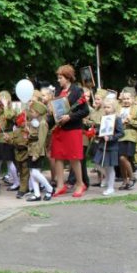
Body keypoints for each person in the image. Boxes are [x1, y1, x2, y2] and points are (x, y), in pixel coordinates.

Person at [49, 64, 90, 198]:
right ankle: (61, 185)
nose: (58, 80)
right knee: (58, 157)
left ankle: (80, 184)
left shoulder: (77, 91)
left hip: (73, 128)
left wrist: (70, 117)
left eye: (60, 77)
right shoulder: (57, 91)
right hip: (59, 129)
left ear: (67, 77)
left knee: (74, 158)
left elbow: (85, 111)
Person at [93, 98, 124, 196]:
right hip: (102, 145)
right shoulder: (104, 117)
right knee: (97, 164)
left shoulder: (117, 118)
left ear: (113, 108)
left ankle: (110, 187)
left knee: (110, 167)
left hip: (112, 146)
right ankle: (107, 177)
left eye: (108, 107)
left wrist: (111, 137)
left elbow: (121, 133)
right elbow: (101, 129)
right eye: (105, 107)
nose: (106, 109)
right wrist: (96, 131)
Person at [118, 89, 137, 190]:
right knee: (121, 159)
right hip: (119, 136)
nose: (126, 100)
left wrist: (131, 121)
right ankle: (125, 180)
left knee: (123, 158)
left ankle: (132, 177)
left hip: (130, 136)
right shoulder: (118, 108)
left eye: (128, 98)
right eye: (124, 98)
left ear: (133, 99)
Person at [26, 101, 53, 201]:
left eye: (32, 111)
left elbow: (41, 140)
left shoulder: (42, 123)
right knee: (32, 172)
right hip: (31, 150)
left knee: (35, 173)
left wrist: (36, 154)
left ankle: (49, 188)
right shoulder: (35, 122)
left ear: (37, 112)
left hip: (37, 151)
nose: (30, 113)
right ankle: (37, 194)